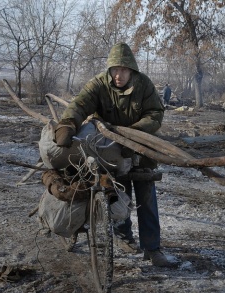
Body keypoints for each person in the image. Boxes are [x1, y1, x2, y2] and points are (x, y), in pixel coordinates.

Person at [54, 43, 174, 267]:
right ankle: (123, 236)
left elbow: (156, 114)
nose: (118, 75)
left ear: (132, 70)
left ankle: (153, 248)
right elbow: (80, 104)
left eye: (123, 70)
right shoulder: (99, 84)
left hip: (140, 148)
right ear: (109, 70)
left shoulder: (144, 85)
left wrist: (134, 136)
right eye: (114, 70)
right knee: (118, 194)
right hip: (108, 150)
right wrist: (68, 124)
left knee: (146, 196)